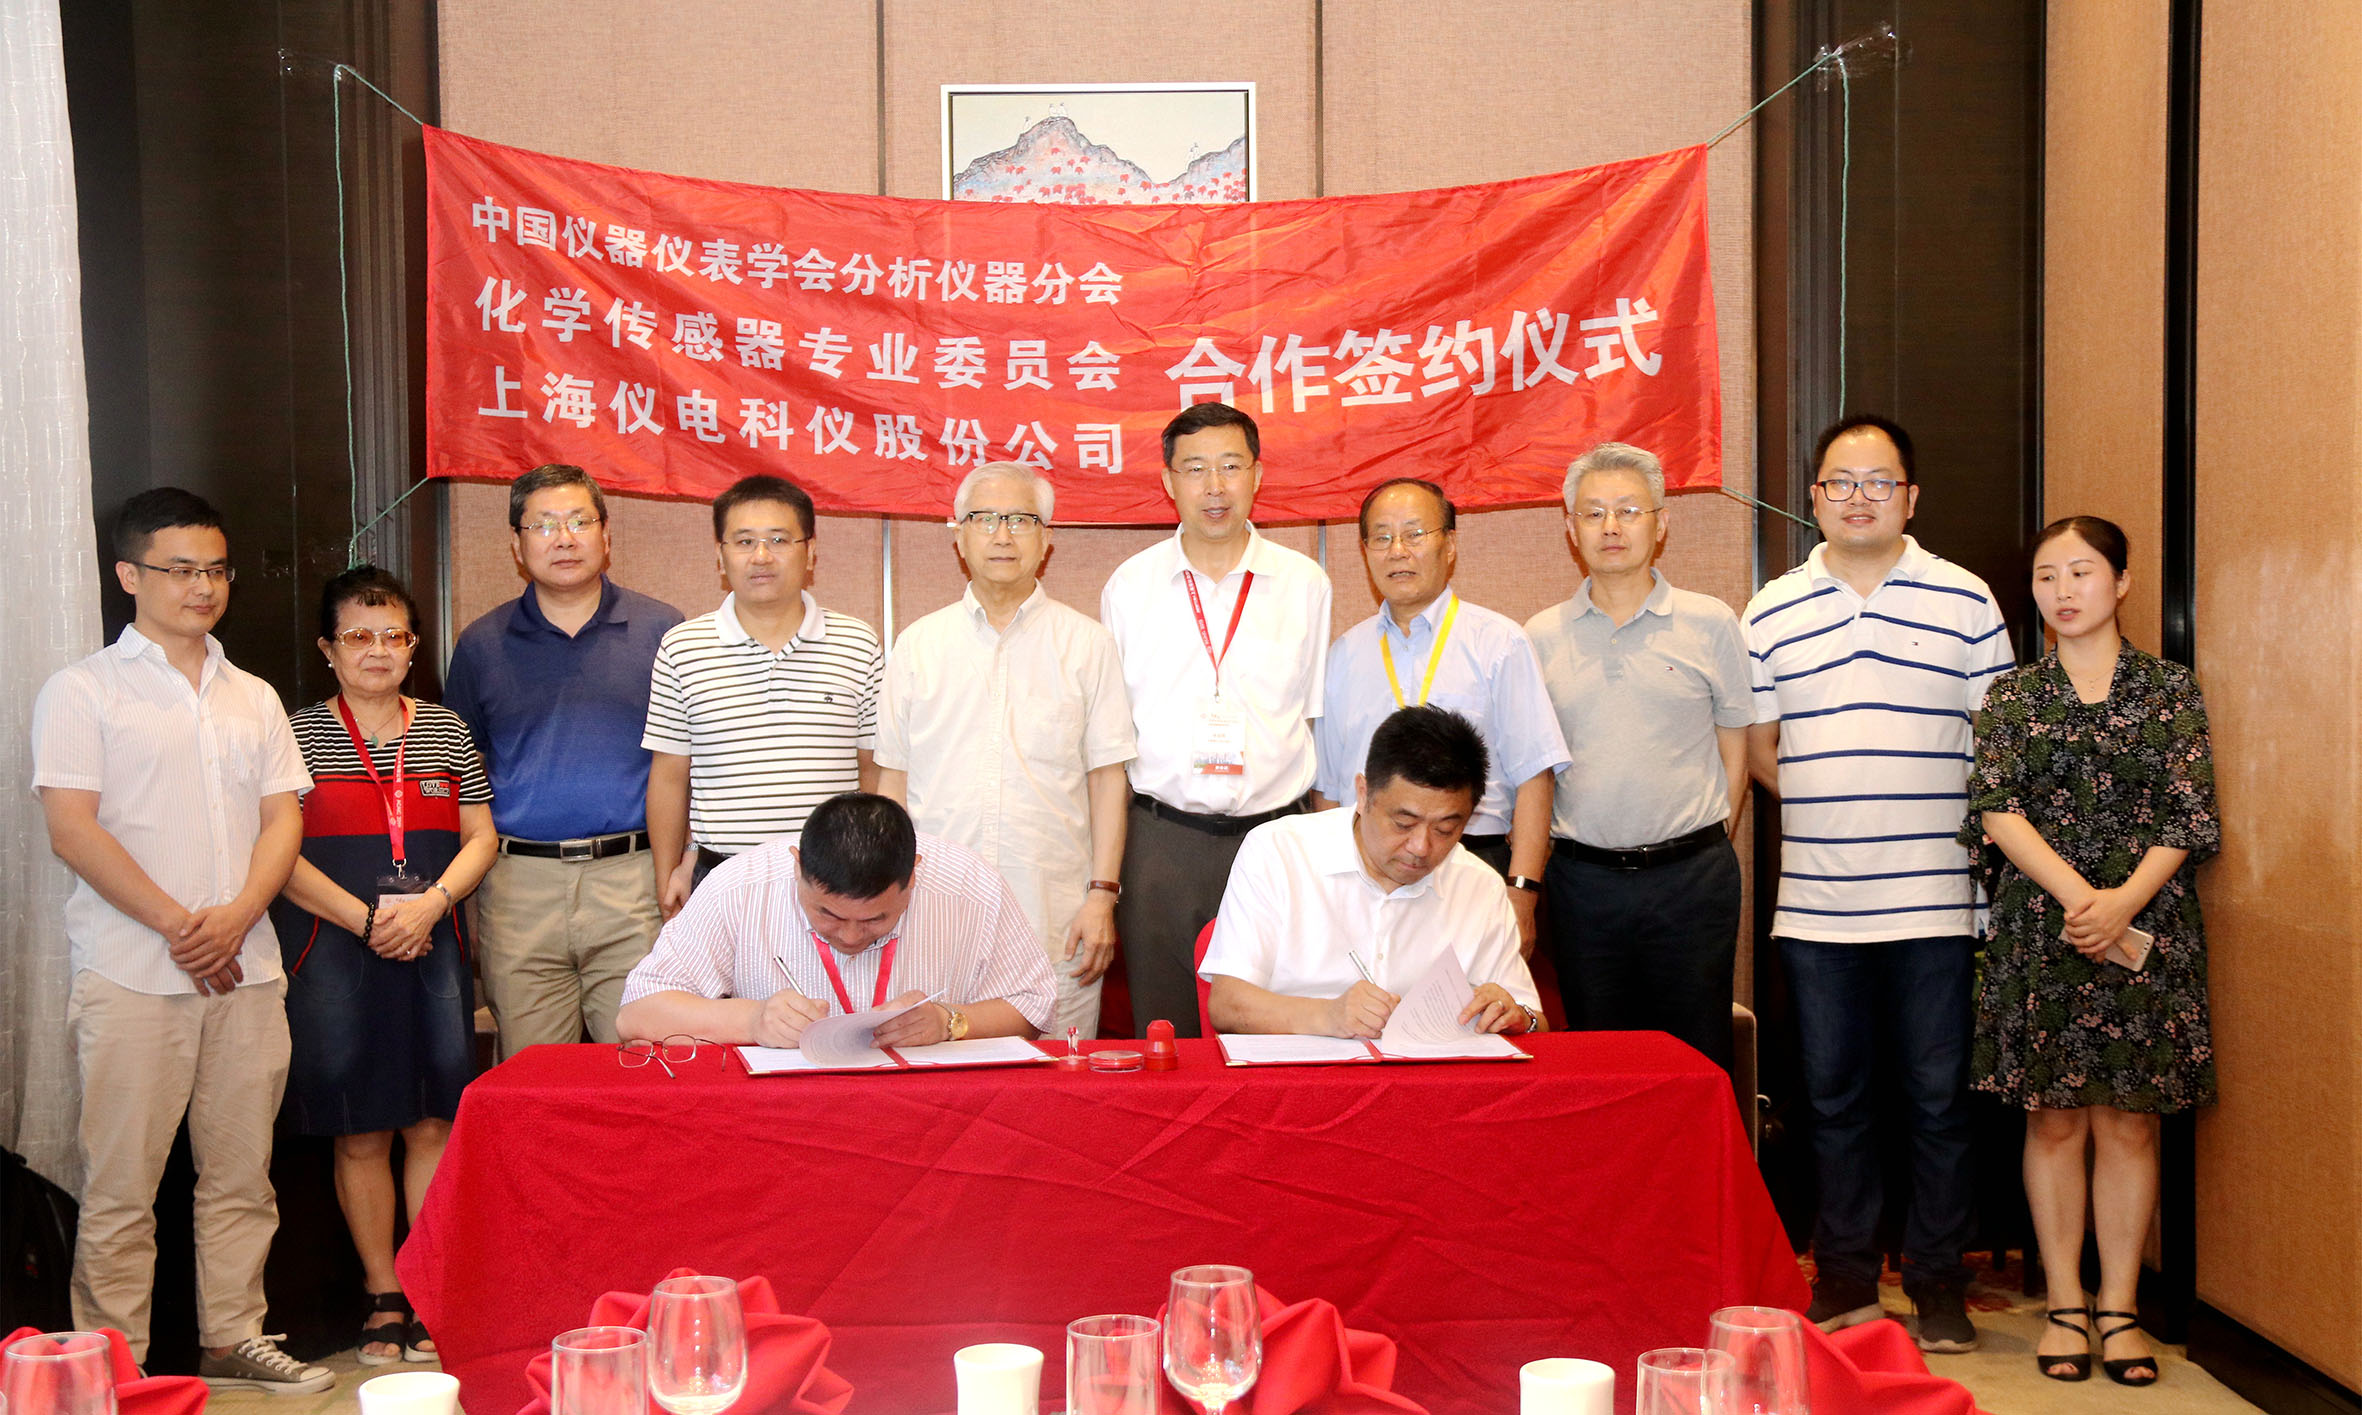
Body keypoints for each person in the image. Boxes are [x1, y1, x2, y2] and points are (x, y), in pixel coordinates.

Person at [31, 488, 332, 1394]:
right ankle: (112, 1365)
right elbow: (73, 829)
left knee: (242, 1177)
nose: (203, 586)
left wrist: (237, 915)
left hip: (248, 970)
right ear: (130, 575)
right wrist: (179, 924)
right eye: (181, 569)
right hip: (131, 974)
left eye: (216, 570)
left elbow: (284, 819)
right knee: (122, 1187)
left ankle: (233, 1334)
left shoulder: (254, 695)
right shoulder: (83, 689)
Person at [1743, 415, 2013, 1353]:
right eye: (1840, 482)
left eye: (1879, 481)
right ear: (1815, 496)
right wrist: (1839, 796)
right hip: (1818, 904)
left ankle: (1938, 1282)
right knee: (1832, 1099)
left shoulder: (1966, 598)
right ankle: (1849, 1276)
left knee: (1939, 1100)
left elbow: (1998, 742)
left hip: (1938, 898)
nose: (1858, 497)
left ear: (1911, 496)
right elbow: (1760, 749)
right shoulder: (1770, 608)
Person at [1964, 517, 2216, 1387]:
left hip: (2148, 927)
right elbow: (1997, 809)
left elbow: (2189, 813)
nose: (2063, 590)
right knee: (2055, 1118)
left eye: (2081, 571)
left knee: (2131, 1120)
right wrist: (2084, 903)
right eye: (2046, 575)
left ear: (2122, 582)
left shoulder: (2169, 689)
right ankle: (2065, 1303)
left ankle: (2120, 1306)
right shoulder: (2011, 696)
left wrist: (2123, 905)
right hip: (2047, 929)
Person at [272, 566, 496, 1365]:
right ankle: (382, 1295)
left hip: (432, 943)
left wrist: (431, 904)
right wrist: (367, 920)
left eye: (393, 635)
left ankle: (429, 1287)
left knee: (433, 1120)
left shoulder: (446, 729)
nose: (378, 650)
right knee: (359, 1127)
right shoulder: (292, 733)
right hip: (333, 949)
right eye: (358, 636)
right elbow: (276, 853)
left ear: (413, 645)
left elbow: (482, 835)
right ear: (328, 648)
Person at [877, 462, 1135, 1037]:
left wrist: (1102, 896)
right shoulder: (917, 646)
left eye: (1020, 520)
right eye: (984, 519)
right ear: (958, 535)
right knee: (937, 1071)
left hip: (1055, 914)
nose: (1002, 535)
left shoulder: (1087, 645)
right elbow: (892, 781)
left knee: (1057, 1075)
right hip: (932, 912)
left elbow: (1107, 780)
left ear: (1046, 539)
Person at [1100, 403, 1331, 1036]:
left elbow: (1311, 721)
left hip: (1276, 837)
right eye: (1195, 468)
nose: (1215, 486)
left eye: (1231, 466)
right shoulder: (1130, 586)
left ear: (1257, 475)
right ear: (1168, 481)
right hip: (1162, 841)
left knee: (1276, 1026)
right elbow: (1113, 738)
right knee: (1165, 1029)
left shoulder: (1303, 583)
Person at [1527, 443, 1752, 1081]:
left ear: (1661, 522)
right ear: (1571, 529)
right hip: (1583, 884)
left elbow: (1735, 746)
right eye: (1593, 513)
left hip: (1692, 880)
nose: (1611, 527)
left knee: (1696, 1059)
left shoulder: (1710, 622)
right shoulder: (1540, 635)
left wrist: (1713, 839)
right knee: (1601, 1064)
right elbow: (1534, 768)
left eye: (1628, 510)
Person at [444, 464, 683, 1057]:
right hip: (519, 888)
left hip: (634, 881)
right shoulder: (481, 643)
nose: (565, 538)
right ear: (517, 545)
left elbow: (686, 765)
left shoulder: (664, 632)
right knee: (531, 1075)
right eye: (544, 525)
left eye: (580, 521)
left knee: (644, 1065)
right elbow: (461, 773)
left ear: (606, 534)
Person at [1314, 478, 1568, 950]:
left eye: (1415, 534)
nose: (1398, 551)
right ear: (1365, 551)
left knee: (1469, 997)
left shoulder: (1499, 643)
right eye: (1382, 537)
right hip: (1365, 874)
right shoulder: (1344, 654)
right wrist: (1328, 886)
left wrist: (1521, 891)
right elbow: (1328, 788)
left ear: (1449, 545)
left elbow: (1536, 775)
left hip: (1471, 863)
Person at [1202, 706, 1545, 1039]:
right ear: (1363, 794)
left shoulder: (1479, 886)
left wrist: (1519, 1017)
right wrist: (1327, 1015)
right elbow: (1227, 1004)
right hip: (1296, 1071)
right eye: (1403, 823)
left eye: (1445, 829)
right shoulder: (1278, 851)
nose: (1421, 847)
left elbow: (1536, 1019)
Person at [616, 792, 1056, 1046]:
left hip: (930, 1110)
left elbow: (1032, 1006)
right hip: (781, 1115)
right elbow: (637, 1013)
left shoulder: (969, 885)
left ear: (914, 876)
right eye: (827, 914)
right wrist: (751, 1021)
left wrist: (948, 1022)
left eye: (875, 920)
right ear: (797, 867)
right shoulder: (740, 886)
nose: (849, 935)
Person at [644, 474, 883, 913]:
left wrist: (873, 869)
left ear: (810, 551)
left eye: (778, 539)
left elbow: (873, 769)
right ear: (720, 556)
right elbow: (670, 775)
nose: (761, 556)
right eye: (744, 541)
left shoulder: (858, 643)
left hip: (835, 876)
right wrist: (669, 874)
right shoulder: (682, 647)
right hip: (720, 875)